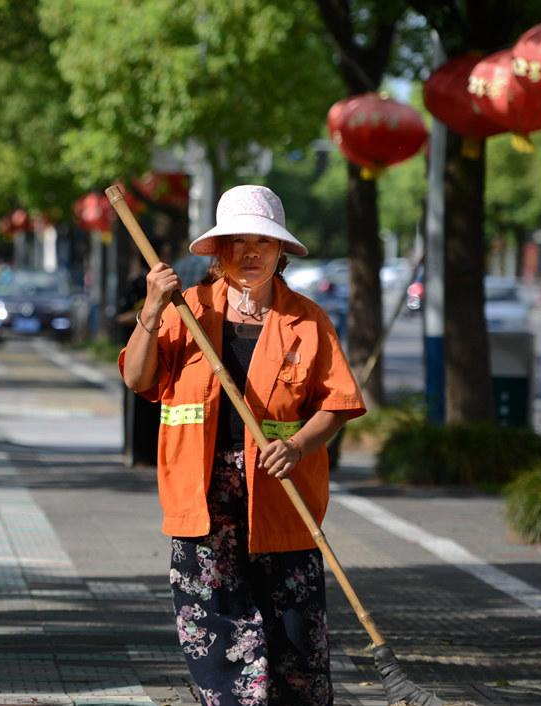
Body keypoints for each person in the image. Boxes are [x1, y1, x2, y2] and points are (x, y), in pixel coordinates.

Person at [118, 185, 365, 706]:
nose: (251, 253)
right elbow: (138, 377)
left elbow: (338, 402)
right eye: (238, 243)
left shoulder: (308, 321)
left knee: (295, 648)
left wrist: (297, 445)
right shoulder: (187, 312)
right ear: (218, 251)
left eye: (264, 243)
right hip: (203, 502)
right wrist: (151, 307)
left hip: (282, 498)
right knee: (220, 648)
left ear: (281, 254)